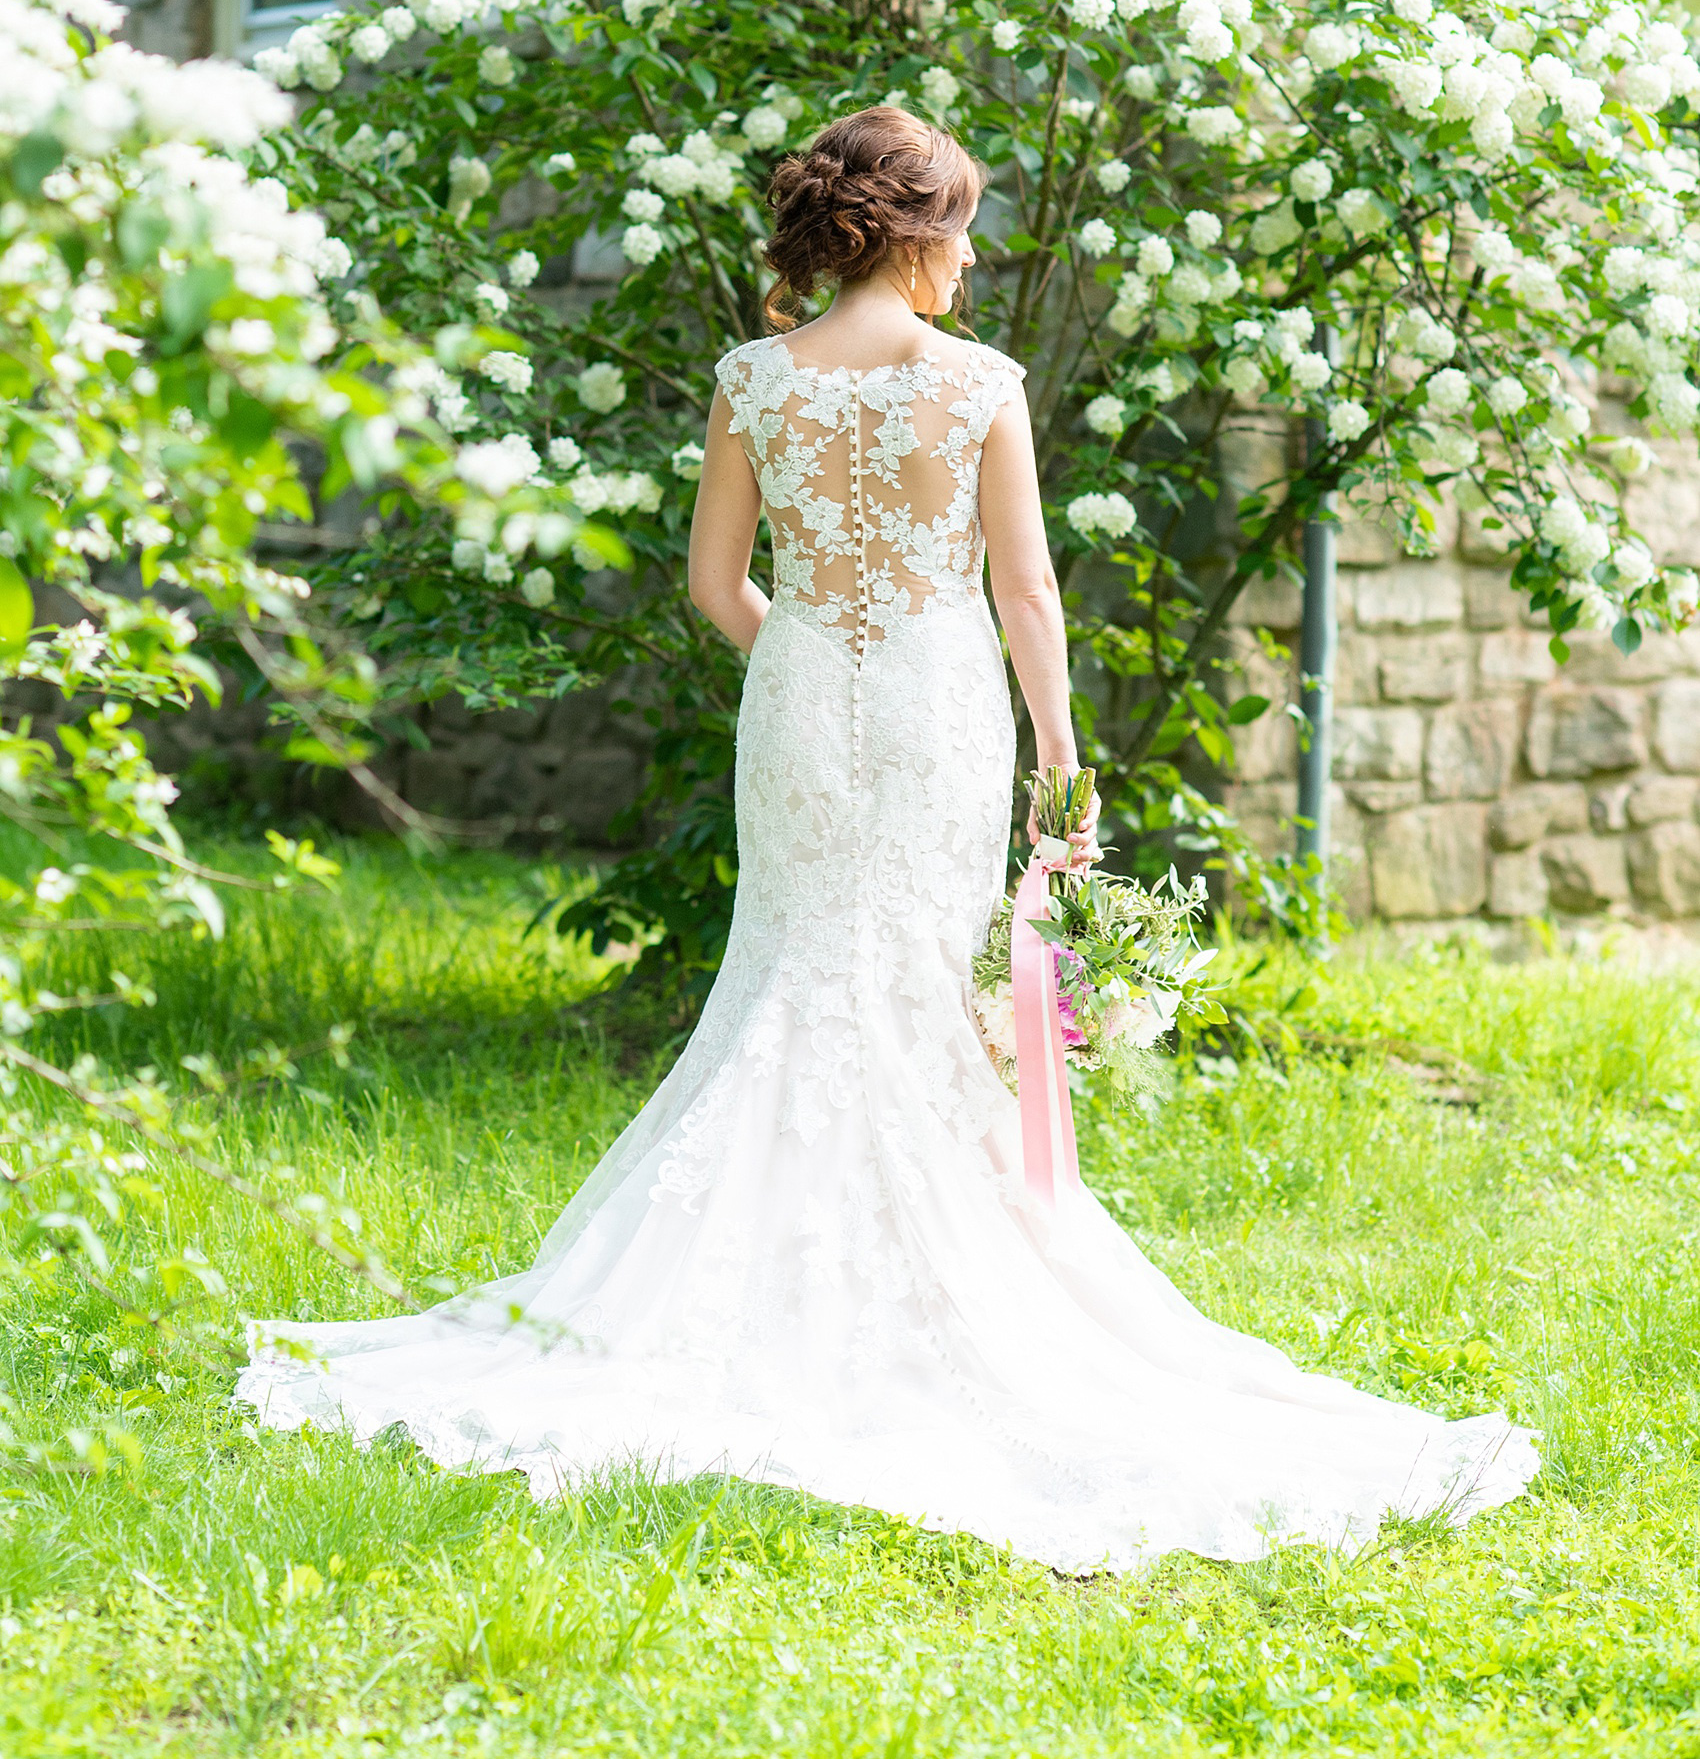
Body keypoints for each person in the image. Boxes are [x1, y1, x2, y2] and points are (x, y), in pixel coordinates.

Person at [237, 106, 1537, 1571]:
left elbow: (713, 583)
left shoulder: (753, 378)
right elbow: (1028, 592)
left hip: (799, 701)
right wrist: (1061, 748)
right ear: (914, 233)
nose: (973, 257)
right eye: (964, 226)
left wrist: (801, 660)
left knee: (793, 965)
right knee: (912, 978)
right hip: (937, 706)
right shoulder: (978, 383)